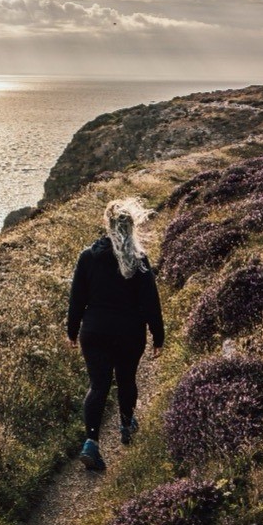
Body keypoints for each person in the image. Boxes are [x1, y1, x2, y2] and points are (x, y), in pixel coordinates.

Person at [66, 197, 164, 471]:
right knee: (126, 379)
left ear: (107, 226)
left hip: (94, 331)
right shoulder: (139, 260)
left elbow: (77, 300)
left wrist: (72, 331)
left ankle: (91, 443)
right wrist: (158, 336)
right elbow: (151, 303)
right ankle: (126, 425)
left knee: (98, 385)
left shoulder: (88, 257)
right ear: (131, 227)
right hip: (129, 332)